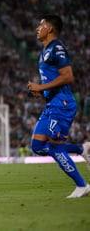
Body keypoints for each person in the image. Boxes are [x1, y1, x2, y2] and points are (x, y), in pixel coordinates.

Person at [27, 14, 90, 198]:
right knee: (37, 146)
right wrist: (42, 91)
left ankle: (82, 185)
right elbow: (54, 79)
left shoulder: (57, 48)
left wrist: (41, 86)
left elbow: (68, 76)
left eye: (42, 24)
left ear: (50, 28)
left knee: (55, 148)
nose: (38, 28)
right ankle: (81, 149)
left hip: (61, 105)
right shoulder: (45, 51)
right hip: (51, 104)